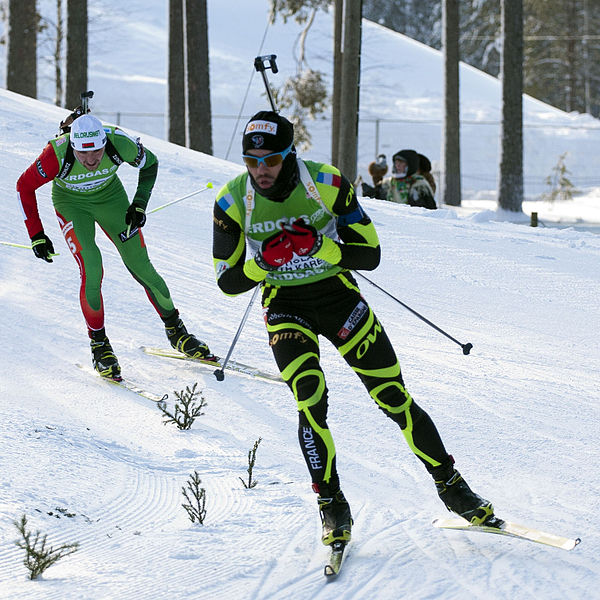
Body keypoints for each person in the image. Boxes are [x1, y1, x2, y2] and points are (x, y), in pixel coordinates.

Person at [212, 110, 493, 547]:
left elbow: (370, 253)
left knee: (393, 398)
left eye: (269, 161)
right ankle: (331, 504)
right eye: (251, 161)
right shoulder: (232, 200)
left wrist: (321, 246)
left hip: (339, 299)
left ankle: (452, 487)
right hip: (286, 306)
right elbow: (228, 282)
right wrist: (264, 261)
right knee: (310, 400)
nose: (259, 171)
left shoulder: (325, 182)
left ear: (289, 155)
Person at [16, 112, 212, 380]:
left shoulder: (119, 142)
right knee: (92, 267)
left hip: (111, 198)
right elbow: (23, 186)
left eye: (97, 151)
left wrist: (139, 203)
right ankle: (100, 346)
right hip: (71, 205)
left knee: (142, 266)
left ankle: (177, 332)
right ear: (72, 145)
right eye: (83, 154)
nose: (91, 160)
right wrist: (37, 234)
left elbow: (150, 163)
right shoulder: (56, 155)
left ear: (104, 143)